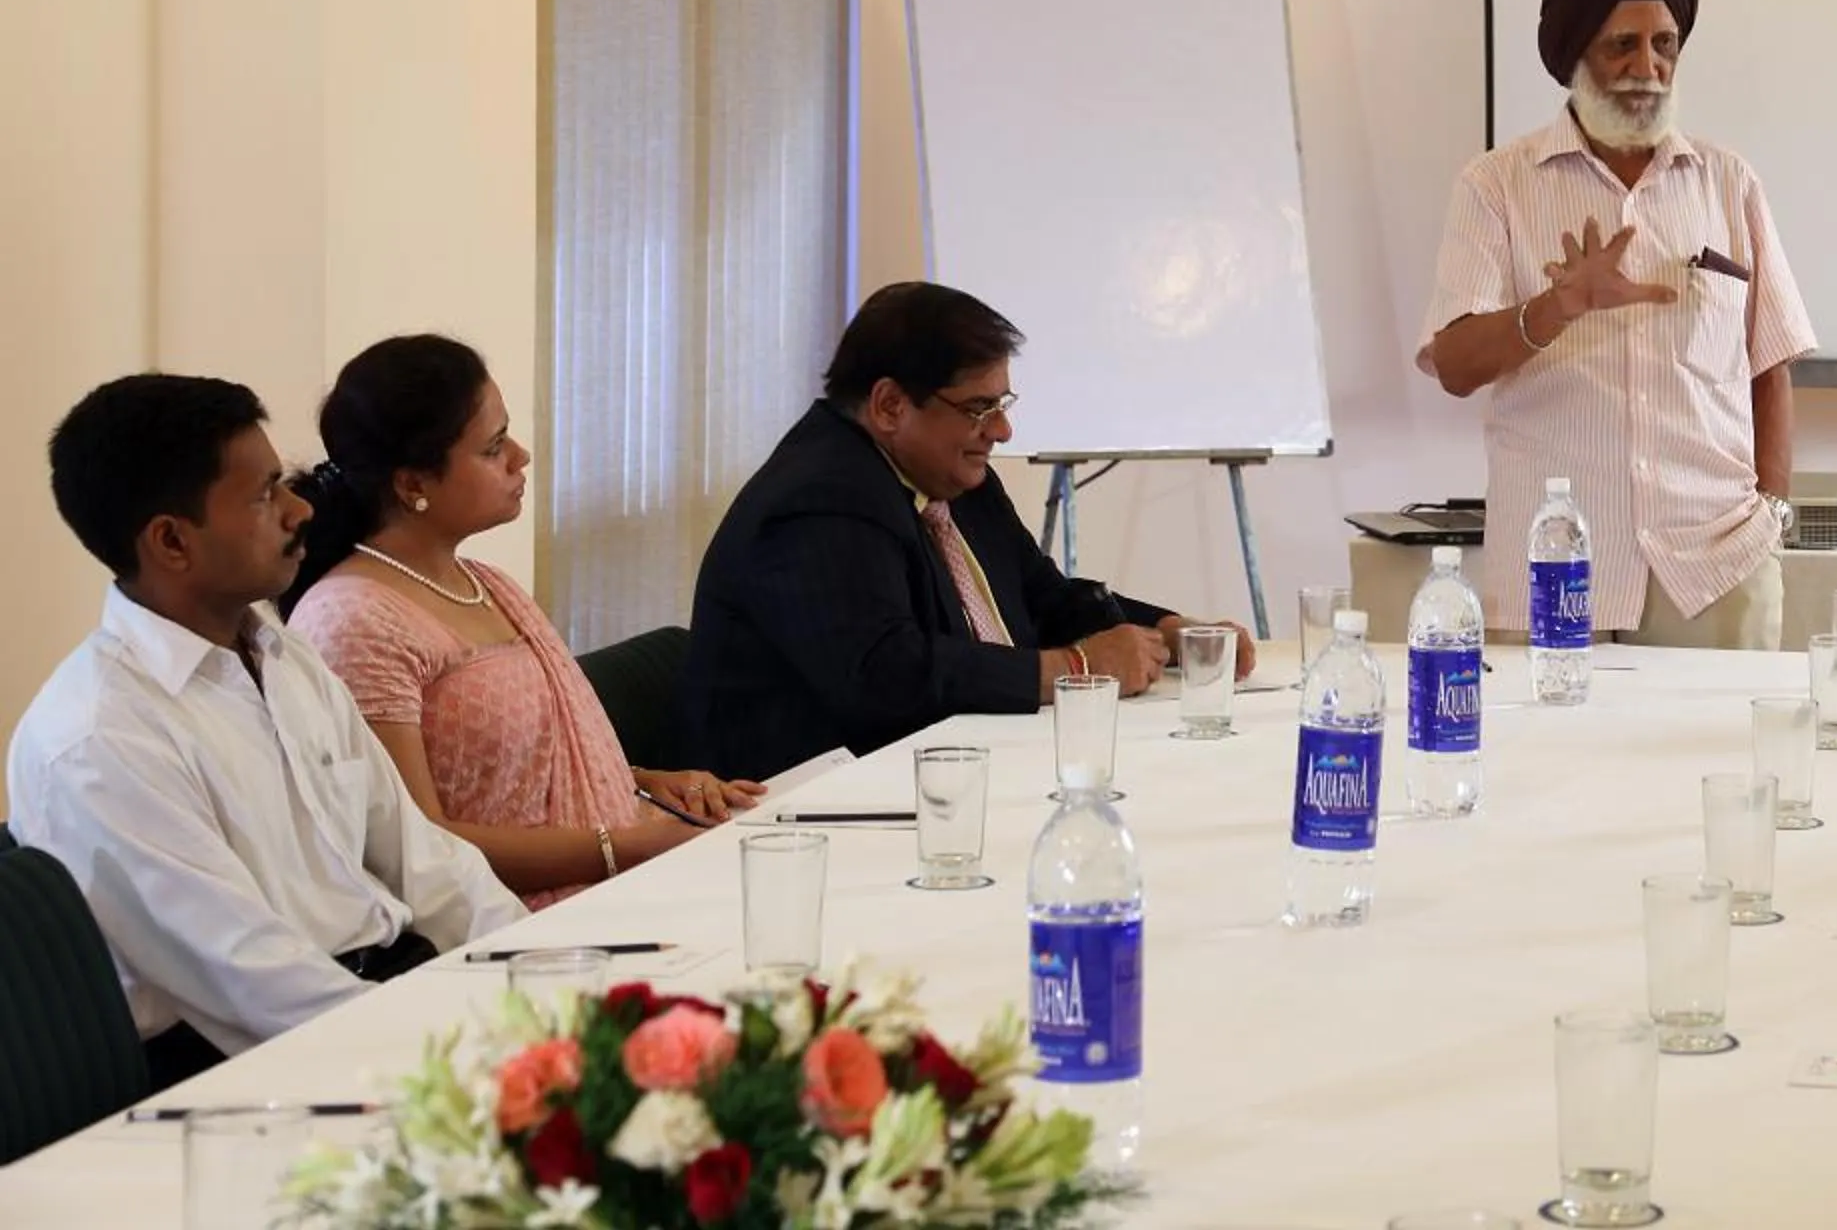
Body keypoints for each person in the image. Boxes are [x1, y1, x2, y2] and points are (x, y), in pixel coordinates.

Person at [6, 375, 524, 1087]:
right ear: (171, 541)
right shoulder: (98, 739)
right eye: (263, 495)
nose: (299, 509)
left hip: (386, 995)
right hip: (251, 1071)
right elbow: (250, 978)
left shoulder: (283, 656)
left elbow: (426, 860)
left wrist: (535, 980)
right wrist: (449, 1060)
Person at [1421, 0, 1817, 650]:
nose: (1648, 66)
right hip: (1555, 568)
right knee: (1553, 768)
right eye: (1622, 45)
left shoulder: (1728, 184)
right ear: (1577, 56)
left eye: (1664, 44)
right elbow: (1453, 364)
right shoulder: (1496, 188)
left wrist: (1773, 518)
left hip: (1718, 568)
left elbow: (1771, 365)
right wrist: (1555, 307)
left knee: (1723, 766)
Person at [684, 282, 1248, 780]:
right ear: (889, 406)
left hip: (947, 770)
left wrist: (1175, 635)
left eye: (1002, 403)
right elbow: (887, 677)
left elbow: (1043, 596)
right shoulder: (821, 497)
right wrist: (1078, 669)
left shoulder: (954, 477)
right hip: (821, 809)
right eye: (979, 407)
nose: (1002, 429)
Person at [281, 335, 760, 906]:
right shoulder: (353, 621)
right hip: (509, 931)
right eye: (493, 448)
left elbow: (521, 767)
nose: (520, 458)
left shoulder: (487, 583)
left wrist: (646, 784)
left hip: (615, 886)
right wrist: (628, 847)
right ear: (412, 485)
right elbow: (417, 848)